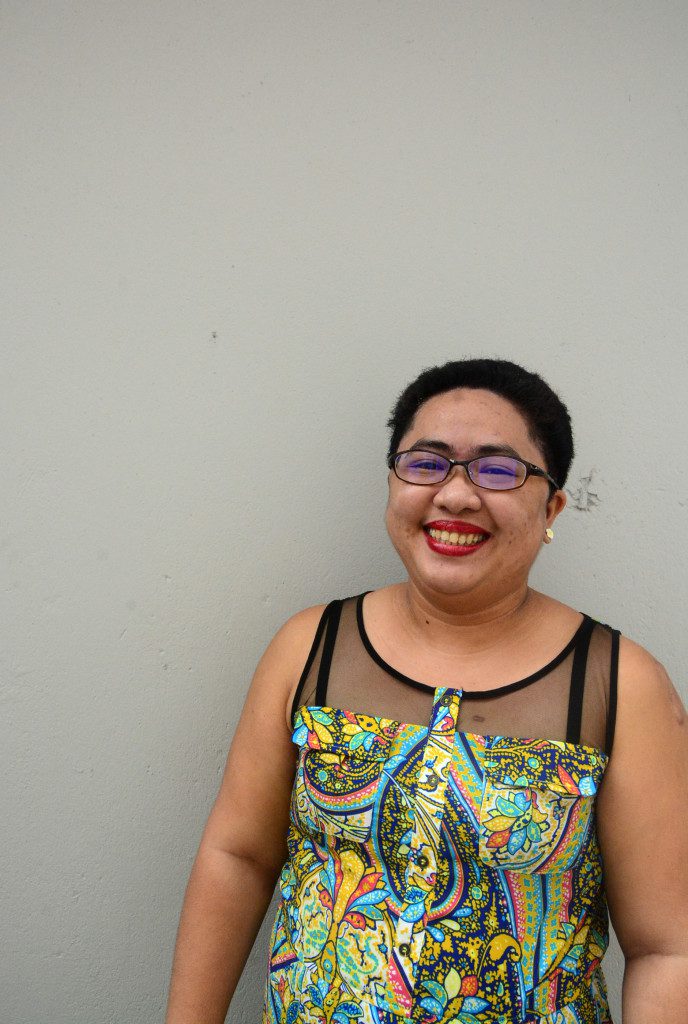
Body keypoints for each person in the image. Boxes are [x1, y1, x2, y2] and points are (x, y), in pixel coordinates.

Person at [165, 358, 688, 1024]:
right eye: (426, 464)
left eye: (497, 470)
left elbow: (667, 948)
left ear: (551, 506)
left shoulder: (618, 684)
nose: (456, 495)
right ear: (393, 483)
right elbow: (237, 857)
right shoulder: (310, 647)